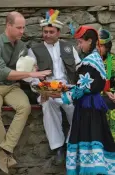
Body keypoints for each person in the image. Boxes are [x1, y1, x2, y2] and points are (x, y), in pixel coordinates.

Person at [0, 11, 51, 174]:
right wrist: (31, 74)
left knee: (25, 107)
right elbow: (3, 72)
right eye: (19, 28)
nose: (22, 31)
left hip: (12, 87)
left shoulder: (21, 46)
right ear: (8, 26)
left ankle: (4, 151)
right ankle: (5, 154)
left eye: (23, 27)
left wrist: (32, 70)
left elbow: (23, 71)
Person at [47, 26, 115, 175]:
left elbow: (81, 89)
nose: (78, 46)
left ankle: (89, 171)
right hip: (95, 106)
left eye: (80, 42)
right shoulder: (97, 58)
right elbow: (86, 85)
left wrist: (60, 96)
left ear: (90, 41)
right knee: (97, 140)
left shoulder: (88, 62)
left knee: (88, 140)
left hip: (87, 109)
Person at [28, 9, 81, 163]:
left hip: (67, 88)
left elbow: (79, 70)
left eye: (51, 32)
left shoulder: (68, 48)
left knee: (76, 108)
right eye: (45, 31)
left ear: (58, 33)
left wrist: (78, 89)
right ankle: (58, 147)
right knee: (48, 106)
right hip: (47, 89)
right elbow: (31, 75)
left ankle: (70, 143)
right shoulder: (34, 50)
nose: (47, 35)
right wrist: (40, 90)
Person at [98, 29, 115, 141]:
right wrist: (104, 91)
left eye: (101, 46)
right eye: (97, 45)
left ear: (108, 46)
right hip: (98, 95)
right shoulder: (89, 61)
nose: (98, 48)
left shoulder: (113, 61)